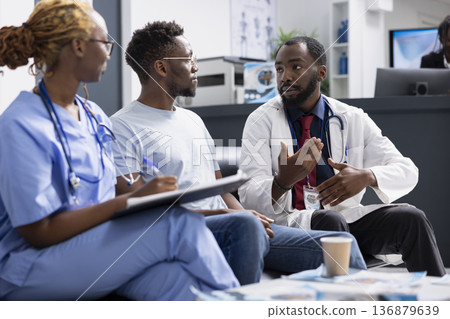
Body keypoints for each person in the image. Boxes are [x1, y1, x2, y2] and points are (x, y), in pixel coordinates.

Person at [0, 0, 239, 301]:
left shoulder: (94, 117)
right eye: (105, 44)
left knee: (181, 285)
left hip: (94, 246)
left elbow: (108, 193)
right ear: (78, 46)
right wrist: (126, 203)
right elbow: (40, 232)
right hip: (30, 266)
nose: (109, 55)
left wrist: (147, 196)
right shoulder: (20, 124)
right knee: (178, 224)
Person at [109, 21, 367, 280]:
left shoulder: (192, 120)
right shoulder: (122, 127)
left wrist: (246, 214)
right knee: (245, 226)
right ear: (161, 67)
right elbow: (138, 209)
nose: (196, 66)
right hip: (186, 229)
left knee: (343, 244)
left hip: (230, 223)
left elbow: (219, 190)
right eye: (189, 59)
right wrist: (230, 216)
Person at [238, 36, 446, 277]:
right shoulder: (260, 121)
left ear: (321, 72)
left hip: (346, 220)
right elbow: (247, 198)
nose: (285, 76)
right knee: (330, 222)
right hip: (293, 224)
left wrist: (368, 176)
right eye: (279, 69)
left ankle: (439, 301)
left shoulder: (351, 117)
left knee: (411, 219)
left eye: (296, 67)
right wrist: (281, 182)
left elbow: (407, 170)